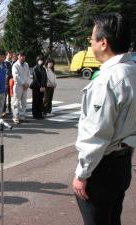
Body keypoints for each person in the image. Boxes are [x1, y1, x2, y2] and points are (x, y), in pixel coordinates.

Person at [72, 13, 136, 225]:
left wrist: (82, 174)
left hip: (102, 167)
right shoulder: (132, 70)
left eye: (92, 39)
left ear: (103, 42)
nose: (90, 43)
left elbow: (97, 133)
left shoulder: (107, 80)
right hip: (123, 162)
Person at [11, 51, 30, 124]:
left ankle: (22, 116)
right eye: (21, 56)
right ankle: (15, 117)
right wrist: (23, 83)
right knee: (16, 102)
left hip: (25, 86)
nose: (22, 57)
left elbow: (28, 74)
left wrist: (27, 83)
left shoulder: (26, 64)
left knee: (24, 102)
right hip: (18, 86)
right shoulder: (15, 65)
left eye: (23, 56)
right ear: (18, 56)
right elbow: (16, 76)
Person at [2, 50, 14, 116]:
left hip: (12, 81)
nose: (10, 55)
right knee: (4, 96)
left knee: (11, 96)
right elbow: (7, 71)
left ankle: (9, 109)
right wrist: (13, 75)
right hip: (6, 81)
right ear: (6, 55)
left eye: (11, 54)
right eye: (9, 54)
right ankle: (3, 110)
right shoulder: (5, 63)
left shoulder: (13, 62)